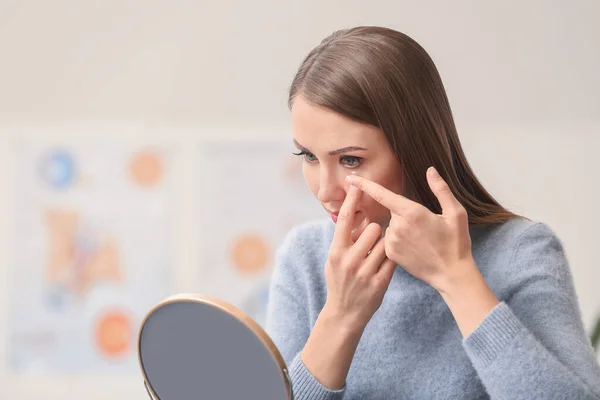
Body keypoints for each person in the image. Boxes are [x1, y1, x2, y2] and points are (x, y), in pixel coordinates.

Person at [265, 26, 600, 399]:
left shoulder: (521, 252)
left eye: (350, 160)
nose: (325, 191)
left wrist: (456, 277)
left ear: (413, 148)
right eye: (308, 156)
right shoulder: (305, 257)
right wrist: (340, 318)